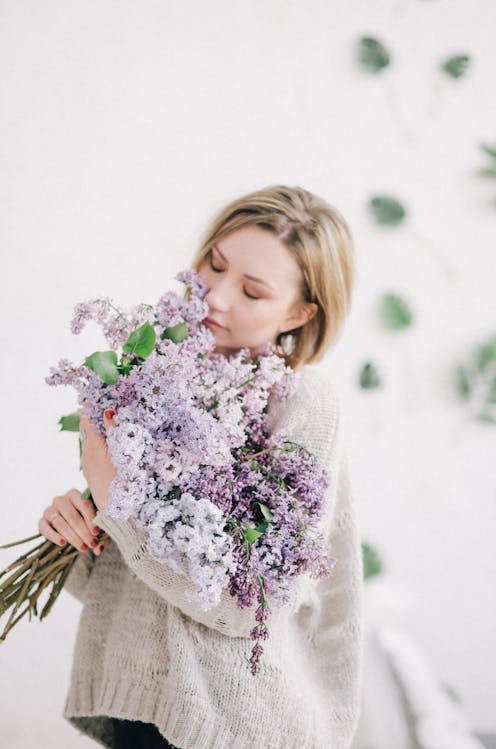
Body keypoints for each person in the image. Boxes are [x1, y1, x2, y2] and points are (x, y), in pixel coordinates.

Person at [38, 184, 364, 749]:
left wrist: (113, 490)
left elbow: (247, 608)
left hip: (228, 728)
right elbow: (130, 582)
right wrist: (74, 533)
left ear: (299, 312)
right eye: (213, 265)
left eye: (252, 292)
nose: (213, 296)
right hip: (141, 714)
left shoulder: (302, 405)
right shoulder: (155, 380)